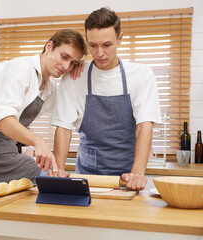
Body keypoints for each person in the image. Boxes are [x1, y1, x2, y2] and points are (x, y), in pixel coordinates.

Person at [50, 7, 162, 190]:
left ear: (120, 39)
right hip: (86, 177)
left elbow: (144, 126)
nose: (99, 53)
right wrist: (58, 171)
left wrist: (138, 172)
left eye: (107, 45)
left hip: (128, 177)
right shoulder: (74, 77)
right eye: (93, 46)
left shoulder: (141, 75)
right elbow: (63, 127)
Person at [0, 29, 88, 183]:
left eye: (73, 63)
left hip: (5, 151)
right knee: (49, 180)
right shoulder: (21, 68)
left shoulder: (50, 88)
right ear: (49, 47)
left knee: (48, 181)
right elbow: (3, 120)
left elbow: (68, 112)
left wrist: (83, 71)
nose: (66, 66)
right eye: (64, 57)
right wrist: (38, 141)